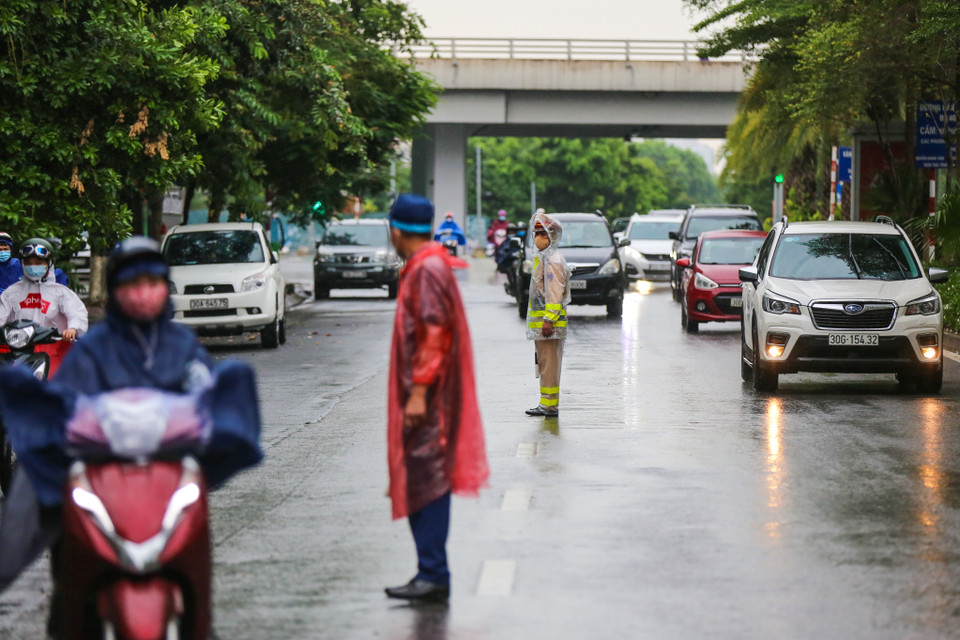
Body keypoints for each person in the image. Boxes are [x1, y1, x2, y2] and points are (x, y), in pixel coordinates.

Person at [384, 194, 489, 603]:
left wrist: (419, 394)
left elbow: (432, 333)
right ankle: (430, 570)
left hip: (428, 398)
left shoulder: (426, 269)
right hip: (429, 394)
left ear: (395, 230)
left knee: (427, 478)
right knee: (422, 476)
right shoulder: (428, 264)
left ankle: (433, 573)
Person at [0, 238, 87, 360]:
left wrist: (72, 328)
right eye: (28, 262)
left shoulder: (60, 292)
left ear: (49, 263)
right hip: (18, 351)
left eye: (38, 262)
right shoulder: (11, 292)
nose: (33, 266)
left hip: (54, 351)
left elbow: (76, 313)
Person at [525, 211, 571, 417]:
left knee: (549, 365)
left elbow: (554, 293)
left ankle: (549, 406)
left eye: (541, 234)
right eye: (535, 233)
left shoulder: (552, 260)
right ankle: (546, 404)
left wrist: (548, 320)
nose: (537, 238)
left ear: (550, 236)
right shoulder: (545, 257)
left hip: (549, 326)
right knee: (545, 364)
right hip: (545, 326)